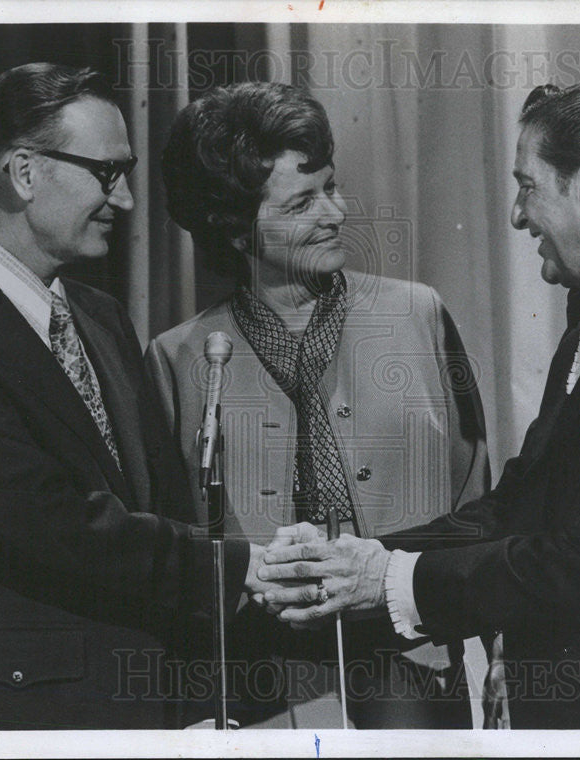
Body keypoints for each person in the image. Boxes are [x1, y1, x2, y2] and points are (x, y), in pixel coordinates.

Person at [258, 79, 580, 729]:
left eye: (528, 185)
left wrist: (389, 581)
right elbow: (521, 506)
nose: (516, 215)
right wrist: (359, 558)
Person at [0, 62, 284, 731]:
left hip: (146, 712)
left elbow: (157, 506)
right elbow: (49, 523)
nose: (124, 199)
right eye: (107, 172)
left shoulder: (99, 316)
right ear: (23, 173)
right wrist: (235, 566)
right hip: (18, 722)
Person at [145, 81, 491, 728]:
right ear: (234, 227)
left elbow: (478, 497)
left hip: (410, 665)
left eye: (331, 187)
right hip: (260, 683)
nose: (335, 212)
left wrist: (497, 648)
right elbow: (174, 544)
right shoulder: (179, 358)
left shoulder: (417, 314)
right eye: (304, 200)